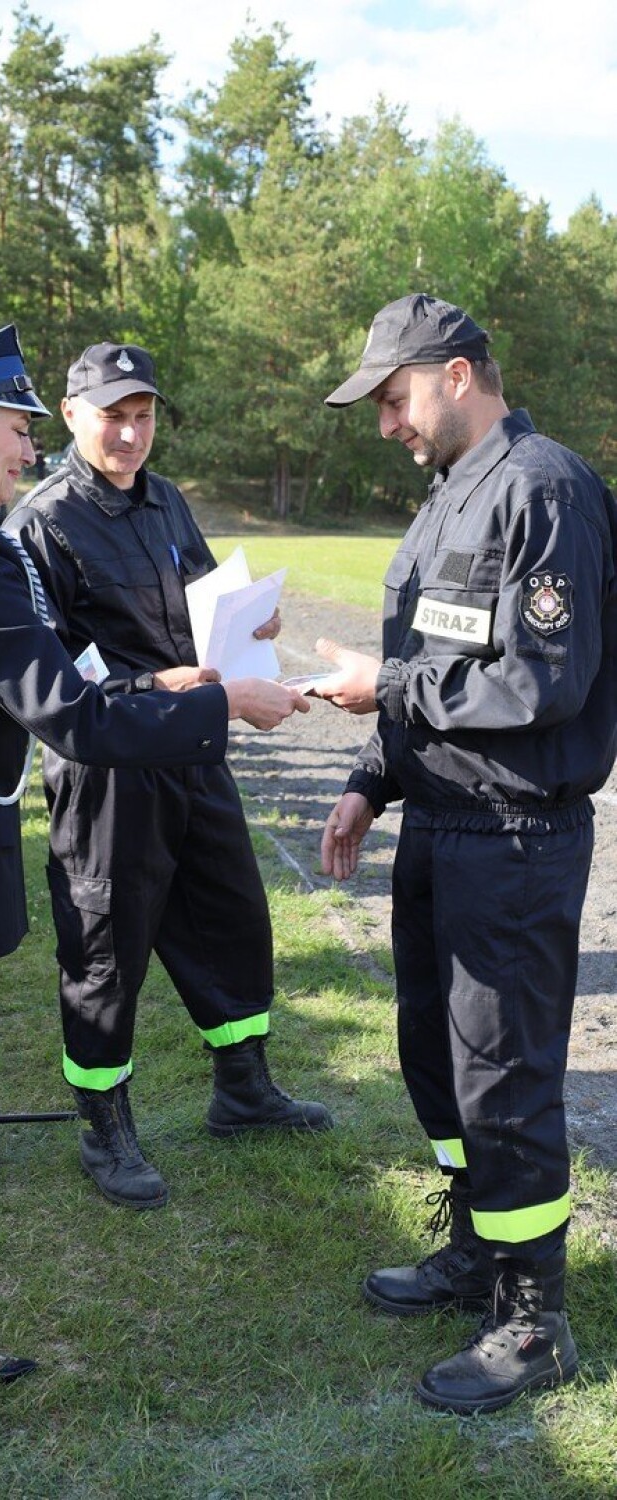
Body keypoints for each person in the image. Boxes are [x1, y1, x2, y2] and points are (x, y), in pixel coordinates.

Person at [0, 324, 307, 1441]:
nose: (26, 454)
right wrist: (221, 702)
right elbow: (71, 714)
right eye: (14, 430)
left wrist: (178, 682)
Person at [317, 293, 617, 1414]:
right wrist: (367, 780)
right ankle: (478, 1255)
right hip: (442, 824)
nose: (388, 422)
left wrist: (381, 690)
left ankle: (537, 1318)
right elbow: (440, 662)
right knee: (436, 1061)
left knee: (506, 1077)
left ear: (455, 373)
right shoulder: (451, 497)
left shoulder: (543, 489)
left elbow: (546, 681)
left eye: (392, 397)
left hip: (516, 832)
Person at [5, 342, 333, 1213]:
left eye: (143, 414)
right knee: (106, 943)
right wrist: (153, 683)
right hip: (109, 764)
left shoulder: (166, 501)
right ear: (72, 415)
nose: (130, 431)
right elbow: (50, 678)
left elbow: (199, 605)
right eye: (113, 414)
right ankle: (103, 1125)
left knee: (229, 913)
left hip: (193, 749)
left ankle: (243, 1087)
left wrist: (246, 629)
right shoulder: (40, 522)